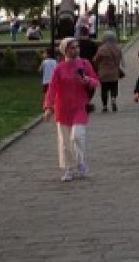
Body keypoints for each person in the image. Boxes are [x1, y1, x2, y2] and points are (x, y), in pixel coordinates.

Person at [42, 38, 99, 182]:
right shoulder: (59, 68)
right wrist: (48, 107)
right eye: (72, 48)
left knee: (77, 136)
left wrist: (87, 80)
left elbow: (95, 81)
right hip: (62, 109)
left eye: (77, 47)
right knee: (65, 142)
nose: (75, 50)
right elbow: (52, 89)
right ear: (64, 50)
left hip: (79, 107)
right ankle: (68, 169)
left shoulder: (85, 64)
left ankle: (81, 163)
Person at [93, 30, 124, 113]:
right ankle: (113, 98)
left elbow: (96, 60)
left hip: (103, 73)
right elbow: (120, 60)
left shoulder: (101, 49)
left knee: (104, 90)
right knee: (114, 87)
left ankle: (105, 106)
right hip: (114, 72)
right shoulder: (118, 48)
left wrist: (96, 67)